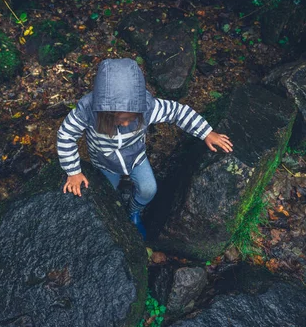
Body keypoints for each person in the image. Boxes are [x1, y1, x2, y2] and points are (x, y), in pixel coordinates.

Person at [57, 58, 233, 239]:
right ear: (104, 110)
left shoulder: (148, 108)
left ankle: (134, 212)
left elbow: (178, 112)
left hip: (136, 157)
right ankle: (113, 215)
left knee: (149, 189)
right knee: (108, 192)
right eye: (119, 119)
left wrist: (206, 132)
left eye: (131, 118)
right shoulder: (88, 111)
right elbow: (66, 135)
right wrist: (73, 171)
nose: (125, 123)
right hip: (104, 162)